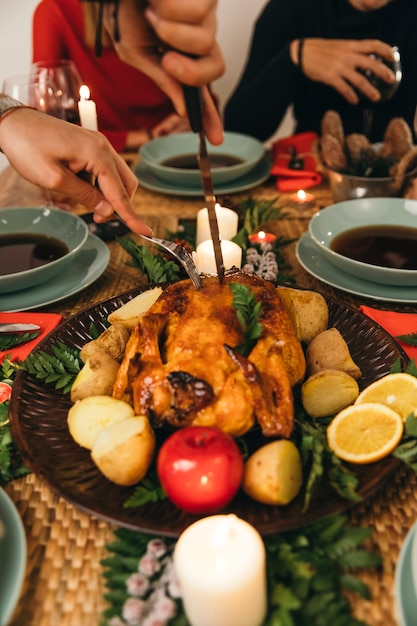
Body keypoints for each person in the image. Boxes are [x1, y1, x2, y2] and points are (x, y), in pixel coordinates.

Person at [0, 0, 224, 234]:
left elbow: (209, 111)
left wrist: (187, 119)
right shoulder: (55, 11)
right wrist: (143, 137)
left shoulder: (165, 13)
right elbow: (50, 125)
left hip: (175, 163)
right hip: (104, 171)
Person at [224, 0, 417, 145]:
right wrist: (293, 58)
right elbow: (236, 134)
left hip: (407, 180)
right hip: (313, 177)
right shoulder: (292, 8)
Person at [32, 0, 191, 152]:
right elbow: (47, 124)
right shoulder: (55, 11)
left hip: (177, 147)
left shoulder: (171, 9)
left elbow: (203, 100)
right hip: (104, 153)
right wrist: (147, 137)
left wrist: (189, 122)